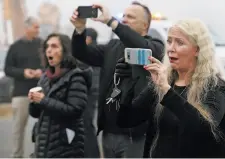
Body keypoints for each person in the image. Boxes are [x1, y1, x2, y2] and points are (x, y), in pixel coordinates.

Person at [116, 19, 225, 158]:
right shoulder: (163, 83)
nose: (171, 48)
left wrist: (167, 91)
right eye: (169, 41)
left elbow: (202, 130)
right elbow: (126, 120)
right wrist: (125, 85)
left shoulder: (215, 86)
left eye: (180, 43)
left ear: (197, 50)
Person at [70, 1, 165, 158]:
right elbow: (81, 52)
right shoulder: (113, 47)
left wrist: (111, 22)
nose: (124, 20)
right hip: (109, 132)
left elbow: (140, 45)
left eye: (131, 17)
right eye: (124, 16)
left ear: (145, 25)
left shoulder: (154, 47)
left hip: (136, 135)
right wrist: (80, 28)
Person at [28, 33, 92, 158]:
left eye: (54, 46)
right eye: (47, 47)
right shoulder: (45, 78)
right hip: (43, 144)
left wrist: (44, 101)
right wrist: (33, 101)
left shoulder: (76, 77)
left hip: (65, 145)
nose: (49, 50)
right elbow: (35, 113)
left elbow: (75, 110)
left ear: (65, 50)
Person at [4, 17, 43, 158]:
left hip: (42, 91)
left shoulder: (43, 45)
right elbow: (7, 69)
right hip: (21, 93)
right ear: (26, 28)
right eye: (35, 27)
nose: (38, 30)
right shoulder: (15, 47)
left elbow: (51, 65)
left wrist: (41, 72)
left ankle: (42, 154)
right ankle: (17, 156)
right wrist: (23, 73)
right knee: (18, 129)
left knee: (44, 128)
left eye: (38, 27)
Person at [83, 28, 100, 158]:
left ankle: (92, 155)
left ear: (88, 38)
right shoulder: (99, 51)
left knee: (87, 124)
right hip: (96, 90)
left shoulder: (88, 53)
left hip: (90, 91)